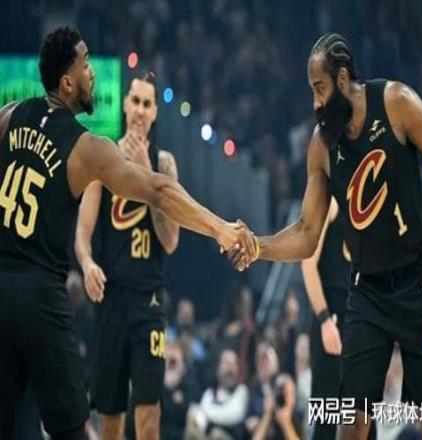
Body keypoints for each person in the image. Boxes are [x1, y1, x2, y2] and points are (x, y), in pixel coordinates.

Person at [232, 32, 422, 439]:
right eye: (311, 91)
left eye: (320, 88)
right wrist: (258, 247)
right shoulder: (321, 146)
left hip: (418, 281)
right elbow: (307, 233)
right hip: (367, 290)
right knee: (350, 422)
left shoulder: (396, 103)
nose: (315, 102)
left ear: (342, 78)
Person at [0, 26, 252, 440]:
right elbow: (160, 192)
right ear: (67, 82)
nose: (92, 73)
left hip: (19, 288)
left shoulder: (11, 115)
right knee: (76, 428)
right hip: (46, 297)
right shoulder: (89, 148)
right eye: (85, 64)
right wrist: (220, 229)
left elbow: (168, 233)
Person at [74, 73, 179, 440]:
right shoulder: (103, 161)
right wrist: (87, 263)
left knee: (149, 413)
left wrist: (147, 174)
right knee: (110, 419)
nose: (140, 110)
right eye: (135, 101)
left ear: (155, 113)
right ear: (124, 105)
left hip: (148, 301)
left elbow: (170, 241)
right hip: (111, 301)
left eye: (147, 104)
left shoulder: (164, 164)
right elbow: (82, 233)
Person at [301, 197, 348, 439]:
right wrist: (324, 319)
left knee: (365, 419)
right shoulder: (329, 200)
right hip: (331, 321)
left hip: (361, 324)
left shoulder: (372, 200)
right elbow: (307, 264)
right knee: (326, 418)